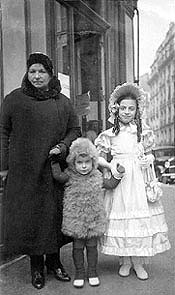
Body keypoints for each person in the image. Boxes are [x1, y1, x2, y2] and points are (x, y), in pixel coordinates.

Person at [0, 52, 81, 289]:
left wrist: (62, 146)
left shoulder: (62, 102)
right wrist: (3, 167)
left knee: (54, 218)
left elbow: (74, 129)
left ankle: (54, 263)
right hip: (24, 171)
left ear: (50, 74)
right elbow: (2, 132)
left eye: (42, 72)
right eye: (33, 71)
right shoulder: (14, 99)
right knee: (32, 219)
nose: (37, 76)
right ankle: (36, 267)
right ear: (27, 73)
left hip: (53, 170)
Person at [95, 82, 171, 280]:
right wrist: (110, 166)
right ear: (116, 109)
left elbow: (149, 153)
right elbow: (99, 157)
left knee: (138, 221)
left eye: (131, 108)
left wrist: (150, 159)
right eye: (123, 108)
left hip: (138, 180)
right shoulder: (110, 134)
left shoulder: (142, 132)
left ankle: (138, 262)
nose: (127, 112)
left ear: (137, 110)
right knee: (123, 219)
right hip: (119, 181)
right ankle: (125, 260)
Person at [51, 137, 125, 288]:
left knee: (92, 248)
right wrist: (54, 161)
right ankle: (79, 273)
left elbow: (110, 184)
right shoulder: (69, 175)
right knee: (77, 247)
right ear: (73, 162)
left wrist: (118, 173)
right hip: (76, 220)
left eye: (87, 162)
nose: (84, 166)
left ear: (93, 162)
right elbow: (58, 176)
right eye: (79, 162)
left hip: (94, 220)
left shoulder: (97, 176)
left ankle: (92, 272)